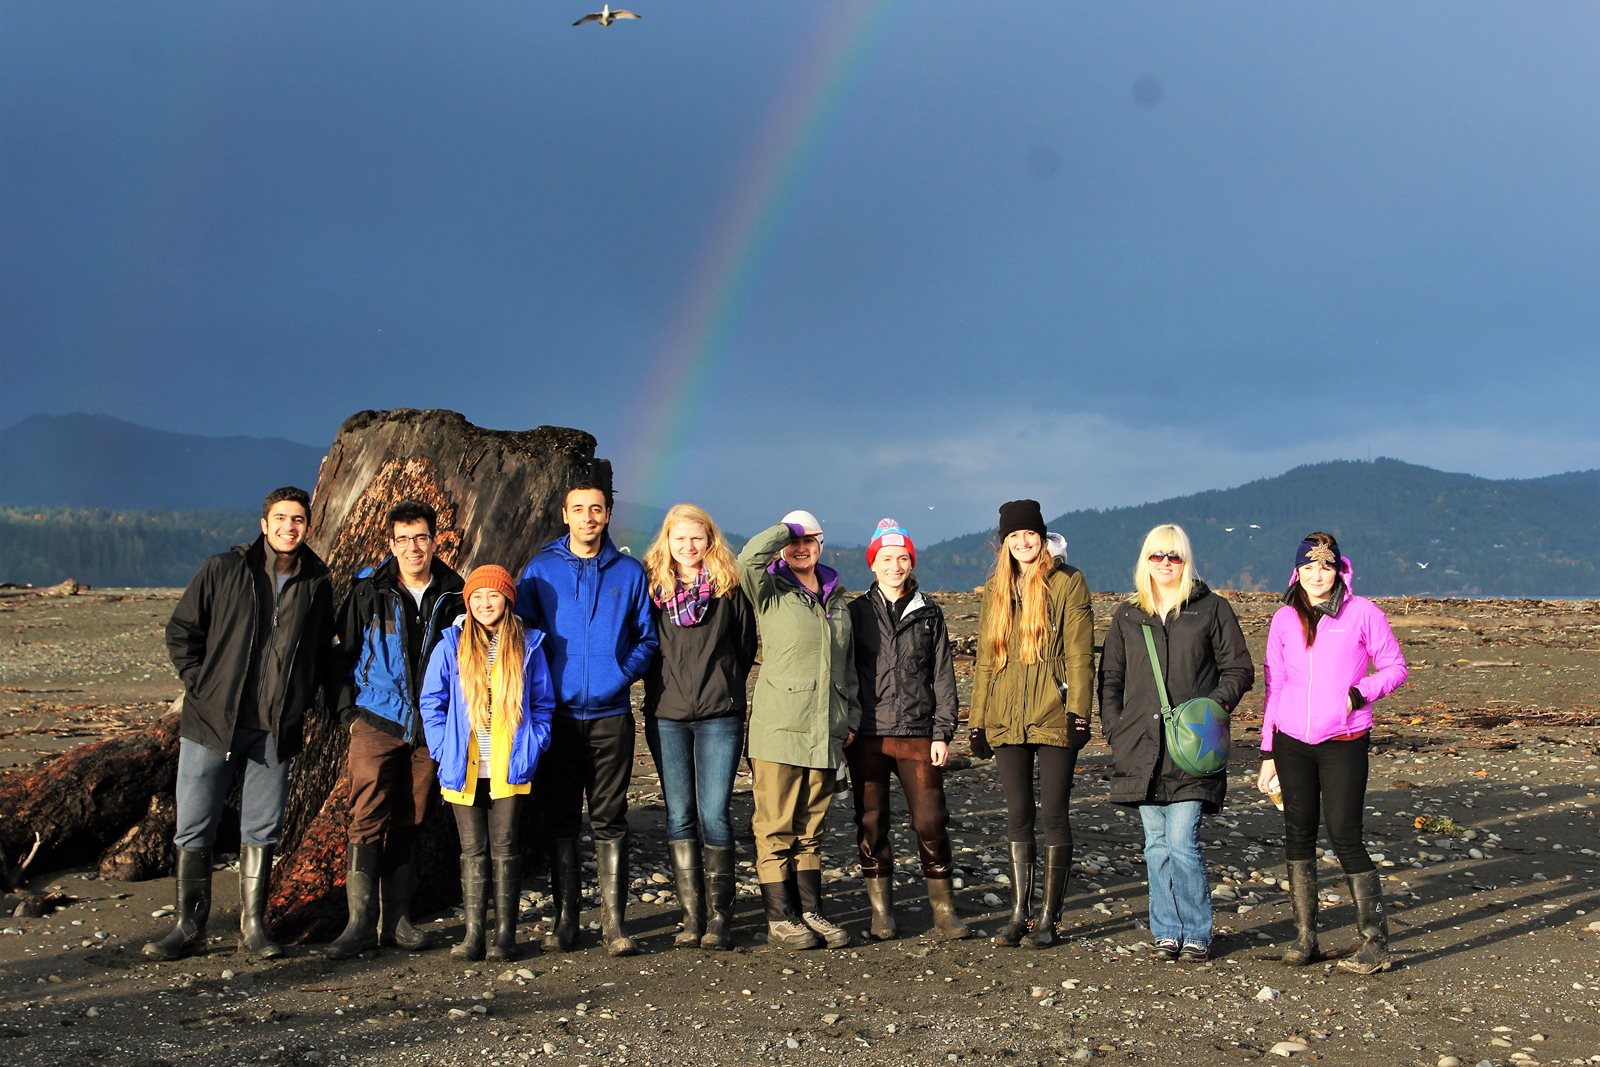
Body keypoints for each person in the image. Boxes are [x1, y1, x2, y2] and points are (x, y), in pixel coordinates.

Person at [146, 486, 335, 961]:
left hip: (275, 727)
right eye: (281, 518)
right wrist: (201, 684)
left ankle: (252, 926)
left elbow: (318, 652)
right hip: (213, 721)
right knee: (194, 824)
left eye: (298, 520)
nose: (289, 527)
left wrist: (307, 700)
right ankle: (189, 926)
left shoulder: (317, 580)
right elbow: (182, 631)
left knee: (262, 827)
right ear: (264, 524)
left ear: (307, 527)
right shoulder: (224, 569)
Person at [515, 473, 658, 956]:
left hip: (611, 715)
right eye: (579, 509)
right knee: (560, 821)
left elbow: (647, 639)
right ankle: (565, 923)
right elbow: (522, 637)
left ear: (608, 515)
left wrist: (619, 676)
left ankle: (616, 927)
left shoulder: (628, 573)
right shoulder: (538, 571)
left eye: (596, 509)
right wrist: (544, 688)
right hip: (555, 716)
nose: (588, 518)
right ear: (565, 514)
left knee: (610, 819)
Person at [1098, 524, 1254, 963]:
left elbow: (1239, 670)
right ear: (1144, 560)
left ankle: (1197, 931)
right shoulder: (1128, 615)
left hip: (1194, 748)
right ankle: (1166, 930)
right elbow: (1110, 677)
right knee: (1155, 843)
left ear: (1186, 561)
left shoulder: (1212, 609)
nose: (1165, 563)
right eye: (1157, 556)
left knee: (1183, 840)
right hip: (1140, 747)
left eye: (1174, 556)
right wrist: (1115, 727)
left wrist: (1207, 711)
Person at [1257, 532, 1407, 974]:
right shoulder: (1284, 618)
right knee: (1298, 835)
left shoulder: (1363, 613)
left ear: (1341, 570)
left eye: (1327, 566)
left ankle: (1375, 943)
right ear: (1296, 571)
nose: (1318, 575)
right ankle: (1305, 938)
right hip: (1291, 743)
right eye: (1309, 566)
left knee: (1345, 835)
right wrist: (1268, 750)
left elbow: (1395, 667)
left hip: (1343, 741)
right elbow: (1275, 685)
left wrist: (1360, 693)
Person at [324, 501, 464, 960]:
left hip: (430, 725)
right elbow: (341, 656)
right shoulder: (370, 591)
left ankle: (397, 921)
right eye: (402, 539)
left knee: (413, 816)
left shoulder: (454, 593)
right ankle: (358, 924)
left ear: (435, 539)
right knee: (365, 814)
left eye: (420, 537)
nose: (412, 548)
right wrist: (349, 715)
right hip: (377, 719)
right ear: (391, 543)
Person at [966, 499, 1093, 949]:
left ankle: (1048, 919)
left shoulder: (1066, 581)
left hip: (1054, 712)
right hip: (1005, 714)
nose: (1022, 542)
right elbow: (985, 661)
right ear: (1004, 543)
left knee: (1054, 813)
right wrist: (977, 720)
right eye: (1014, 536)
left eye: (1029, 535)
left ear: (1041, 537)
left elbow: (1080, 653)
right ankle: (1018, 913)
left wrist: (1080, 712)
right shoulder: (997, 587)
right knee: (1018, 813)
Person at [737, 509, 861, 950]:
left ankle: (811, 911)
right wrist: (785, 529)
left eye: (811, 538)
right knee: (775, 826)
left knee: (812, 828)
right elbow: (747, 559)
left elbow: (848, 669)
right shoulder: (769, 589)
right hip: (780, 729)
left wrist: (851, 720)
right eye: (795, 539)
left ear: (823, 544)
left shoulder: (838, 600)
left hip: (825, 729)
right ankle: (780, 917)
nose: (802, 546)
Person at [420, 565, 555, 962]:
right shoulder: (451, 644)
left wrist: (533, 743)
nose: (484, 603)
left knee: (505, 847)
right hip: (463, 765)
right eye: (476, 596)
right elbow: (432, 703)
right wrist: (443, 749)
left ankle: (505, 937)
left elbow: (544, 704)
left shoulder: (528, 645)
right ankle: (473, 935)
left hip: (508, 766)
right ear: (468, 602)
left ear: (507, 599)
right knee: (472, 849)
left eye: (493, 595)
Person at [640, 504, 757, 950]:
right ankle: (692, 917)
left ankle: (721, 918)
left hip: (719, 715)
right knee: (679, 814)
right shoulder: (653, 591)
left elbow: (744, 647)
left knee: (714, 812)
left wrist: (723, 686)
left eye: (697, 538)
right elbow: (647, 650)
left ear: (710, 540)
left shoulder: (729, 590)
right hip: (667, 715)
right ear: (666, 542)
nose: (689, 547)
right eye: (680, 539)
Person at [846, 518, 967, 941]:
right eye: (886, 559)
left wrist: (942, 732)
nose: (895, 566)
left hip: (918, 734)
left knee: (931, 820)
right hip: (866, 735)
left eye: (902, 559)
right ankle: (882, 913)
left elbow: (943, 677)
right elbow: (843, 674)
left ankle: (944, 912)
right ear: (873, 565)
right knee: (871, 820)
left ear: (911, 564)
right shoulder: (854, 612)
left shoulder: (930, 613)